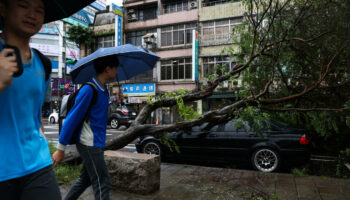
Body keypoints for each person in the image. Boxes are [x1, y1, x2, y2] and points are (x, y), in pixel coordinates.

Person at [0, 0, 61, 199]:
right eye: (23, 5)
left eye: (39, 10)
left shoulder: (43, 64)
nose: (32, 14)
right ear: (3, 8)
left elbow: (35, 115)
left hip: (38, 164)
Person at [52, 55, 119, 200]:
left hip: (96, 142)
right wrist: (60, 149)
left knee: (85, 180)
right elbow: (72, 119)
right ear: (107, 69)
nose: (117, 71)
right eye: (115, 67)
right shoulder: (89, 89)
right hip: (89, 142)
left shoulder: (103, 91)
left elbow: (101, 115)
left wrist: (116, 103)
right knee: (102, 182)